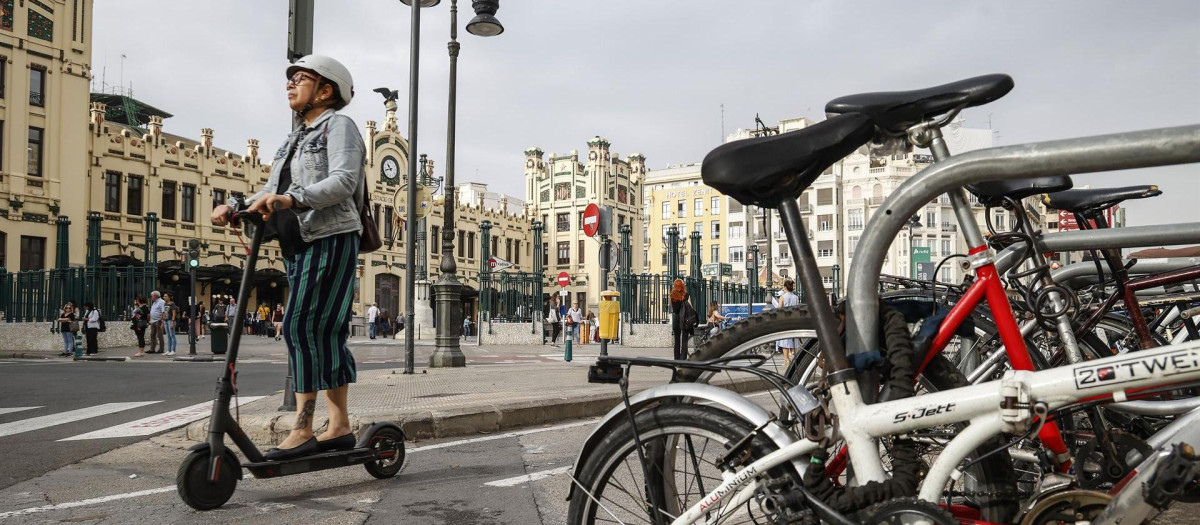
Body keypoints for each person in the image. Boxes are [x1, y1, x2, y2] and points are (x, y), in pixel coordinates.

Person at [211, 54, 363, 460]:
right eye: (290, 79)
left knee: (298, 326)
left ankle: (303, 427)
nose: (290, 84)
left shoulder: (339, 126)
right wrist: (235, 205)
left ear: (326, 90)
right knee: (325, 332)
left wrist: (293, 199)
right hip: (299, 243)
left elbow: (344, 181)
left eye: (300, 78)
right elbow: (271, 187)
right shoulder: (293, 139)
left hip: (330, 236)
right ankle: (340, 426)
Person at [776, 280, 801, 366]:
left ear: (785, 287)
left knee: (785, 341)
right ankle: (793, 353)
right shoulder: (796, 297)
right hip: (794, 320)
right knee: (793, 338)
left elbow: (779, 310)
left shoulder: (782, 297)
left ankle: (786, 360)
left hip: (785, 320)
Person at [670, 279, 694, 360]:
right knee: (685, 339)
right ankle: (683, 359)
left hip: (676, 317)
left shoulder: (672, 295)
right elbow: (690, 307)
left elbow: (672, 307)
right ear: (683, 285)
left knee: (676, 340)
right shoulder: (686, 295)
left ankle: (676, 359)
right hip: (685, 318)